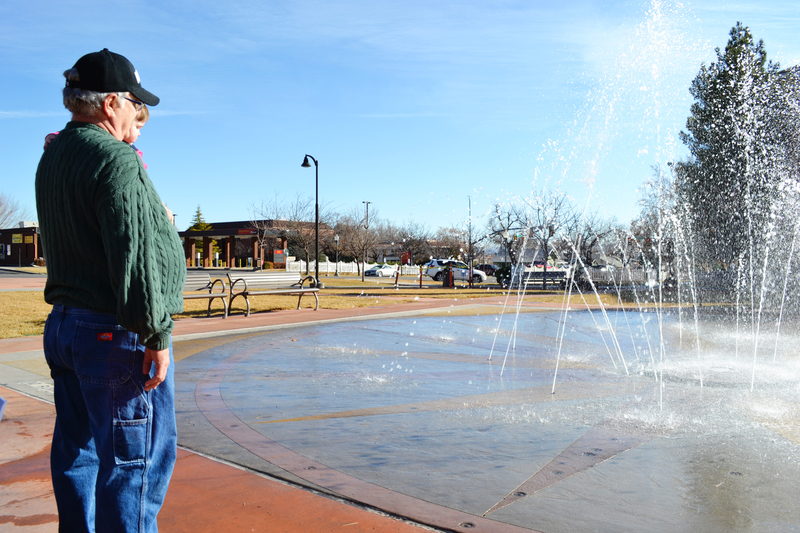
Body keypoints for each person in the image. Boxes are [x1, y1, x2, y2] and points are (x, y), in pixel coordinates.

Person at [35, 49, 185, 532]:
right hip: (113, 332)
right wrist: (156, 334)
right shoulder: (115, 159)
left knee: (77, 455)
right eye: (132, 102)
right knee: (132, 467)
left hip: (66, 326)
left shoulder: (54, 153)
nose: (135, 114)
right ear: (111, 103)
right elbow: (133, 252)